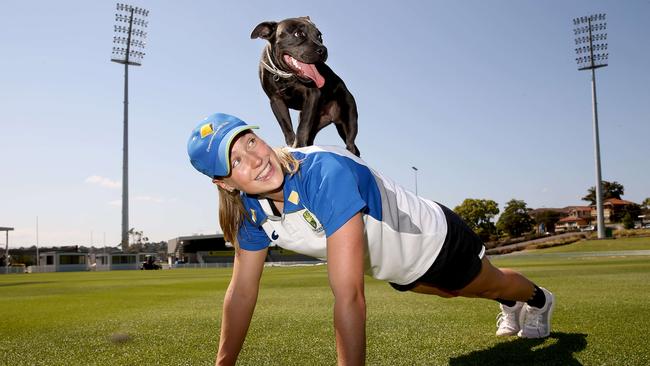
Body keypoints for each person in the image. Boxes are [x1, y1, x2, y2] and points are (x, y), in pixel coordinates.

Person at [187, 113, 555, 366]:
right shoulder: (252, 213)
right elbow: (242, 292)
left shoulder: (323, 173)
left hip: (433, 240)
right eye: (235, 161)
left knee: (483, 286)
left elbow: (349, 296)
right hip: (397, 266)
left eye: (250, 141)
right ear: (225, 183)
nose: (255, 159)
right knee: (449, 292)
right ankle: (510, 301)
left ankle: (536, 300)